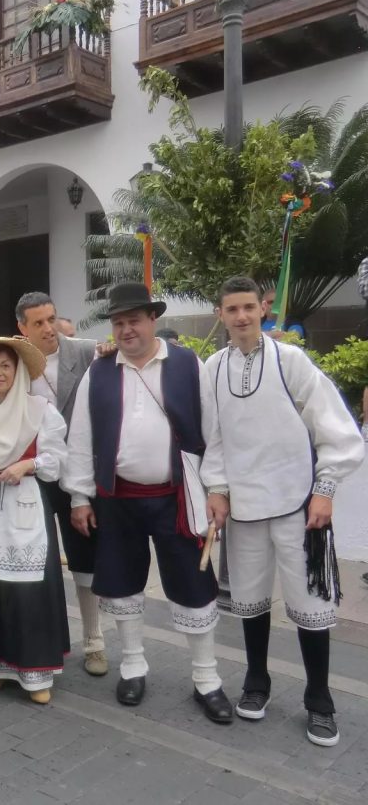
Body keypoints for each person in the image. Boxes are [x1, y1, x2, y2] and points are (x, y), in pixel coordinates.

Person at [202, 276, 364, 746]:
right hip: (245, 508)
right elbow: (213, 437)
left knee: (311, 605)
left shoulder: (290, 360)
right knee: (250, 601)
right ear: (221, 315)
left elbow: (335, 427)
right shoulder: (212, 368)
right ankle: (257, 682)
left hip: (299, 504)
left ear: (262, 308)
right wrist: (216, 488)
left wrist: (325, 489)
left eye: (249, 307)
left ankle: (319, 699)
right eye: (232, 309)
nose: (242, 317)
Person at [62, 281, 233, 724]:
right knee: (121, 585)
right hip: (116, 499)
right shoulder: (98, 373)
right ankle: (133, 665)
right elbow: (80, 438)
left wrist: (217, 489)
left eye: (133, 320)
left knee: (195, 585)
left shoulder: (186, 364)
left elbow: (213, 433)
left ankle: (206, 678)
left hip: (177, 497)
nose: (125, 330)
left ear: (152, 320)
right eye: (118, 322)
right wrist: (80, 495)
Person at [0, 336, 69, 702]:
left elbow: (57, 461)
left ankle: (35, 675)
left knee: (28, 590)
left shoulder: (40, 411)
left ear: (19, 372)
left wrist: (29, 463)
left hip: (25, 508)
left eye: (6, 365)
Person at [15, 292, 107, 677]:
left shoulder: (87, 353)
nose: (48, 328)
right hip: (36, 474)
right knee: (38, 560)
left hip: (80, 472)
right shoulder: (17, 360)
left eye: (51, 318)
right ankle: (44, 639)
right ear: (22, 328)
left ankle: (95, 641)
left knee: (85, 559)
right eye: (37, 323)